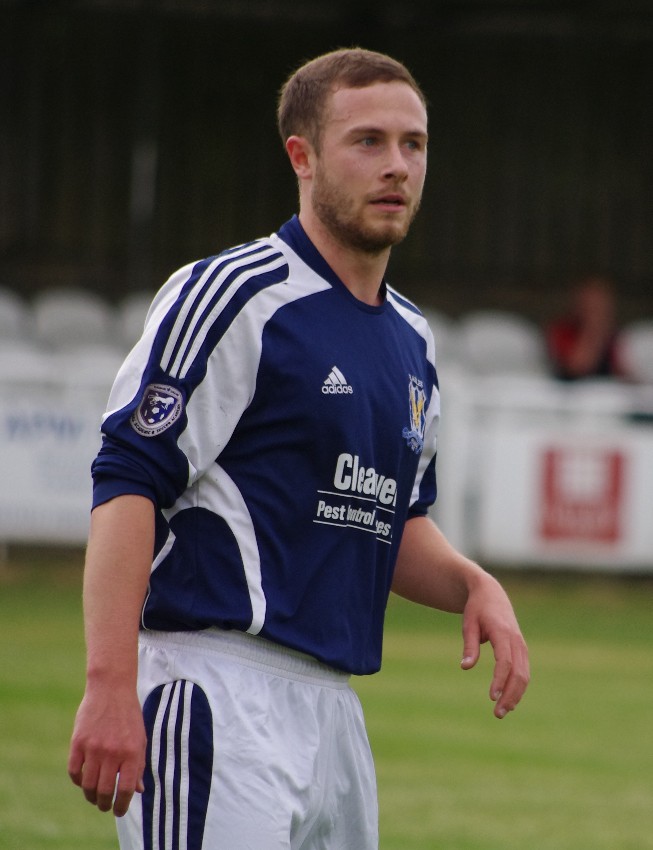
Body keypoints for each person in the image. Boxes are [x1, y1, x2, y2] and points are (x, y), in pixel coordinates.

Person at [68, 47, 529, 850]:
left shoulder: (412, 340)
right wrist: (109, 684)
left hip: (334, 712)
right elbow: (127, 479)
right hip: (214, 686)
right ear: (302, 156)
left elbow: (390, 520)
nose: (396, 165)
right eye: (367, 141)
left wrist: (470, 584)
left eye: (413, 144)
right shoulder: (236, 295)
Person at [546, 275, 623, 380]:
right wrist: (594, 330)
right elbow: (577, 368)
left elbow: (622, 373)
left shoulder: (616, 335)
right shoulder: (562, 331)